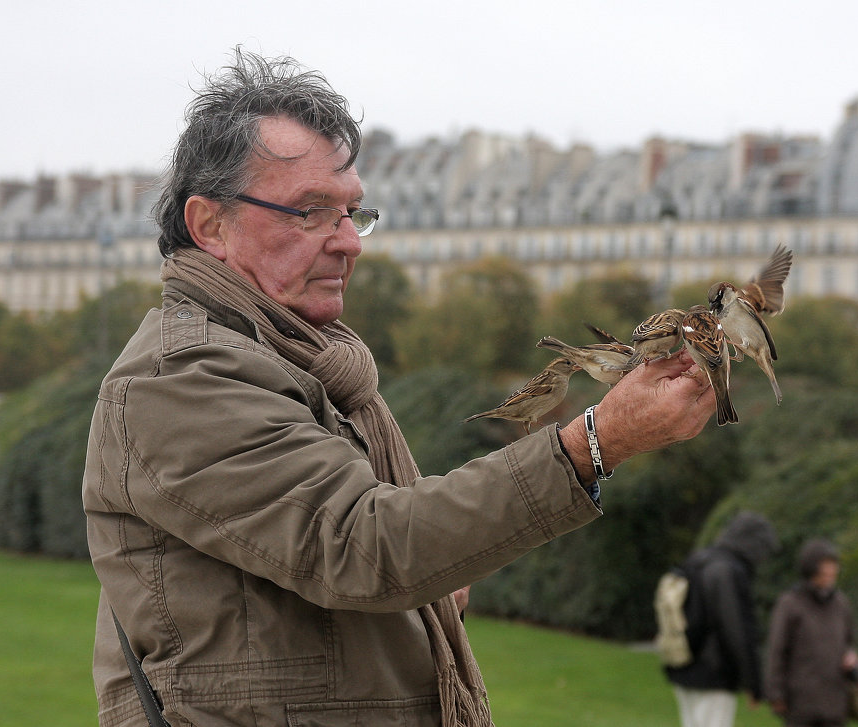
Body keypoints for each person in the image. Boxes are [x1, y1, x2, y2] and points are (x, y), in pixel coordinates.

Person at [81, 48, 717, 727]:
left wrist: (434, 579)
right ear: (210, 225)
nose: (349, 242)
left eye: (354, 212)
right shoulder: (181, 376)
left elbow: (348, 559)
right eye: (311, 212)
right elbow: (365, 546)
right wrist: (596, 440)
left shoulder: (308, 361)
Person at [663, 511, 780, 727]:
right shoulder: (728, 570)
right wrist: (754, 683)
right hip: (714, 673)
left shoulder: (699, 559)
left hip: (684, 666)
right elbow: (736, 630)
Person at [764, 538, 858, 727]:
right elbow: (777, 650)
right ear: (810, 568)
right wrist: (775, 693)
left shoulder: (841, 603)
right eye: (825, 566)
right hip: (800, 704)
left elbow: (849, 643)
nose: (830, 572)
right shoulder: (790, 604)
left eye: (833, 566)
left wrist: (853, 661)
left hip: (836, 703)